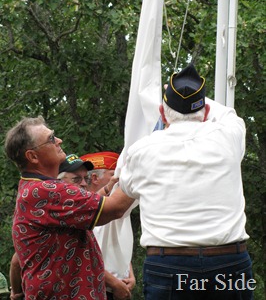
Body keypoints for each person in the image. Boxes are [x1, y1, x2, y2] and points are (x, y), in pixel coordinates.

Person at [118, 63, 254, 300]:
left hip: (169, 265)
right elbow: (228, 114)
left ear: (162, 113)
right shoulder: (229, 136)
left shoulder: (142, 150)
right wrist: (193, 96)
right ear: (205, 109)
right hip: (229, 263)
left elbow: (126, 191)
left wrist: (174, 93)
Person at [4, 117, 134, 300]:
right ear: (32, 156)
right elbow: (114, 209)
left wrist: (17, 293)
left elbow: (93, 202)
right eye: (51, 139)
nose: (59, 141)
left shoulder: (34, 188)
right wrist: (142, 168)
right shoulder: (46, 191)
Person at [81, 152, 136, 300]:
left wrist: (129, 274)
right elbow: (86, 254)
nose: (118, 180)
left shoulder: (119, 204)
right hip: (97, 288)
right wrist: (115, 283)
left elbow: (118, 243)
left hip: (121, 286)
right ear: (94, 178)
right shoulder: (85, 210)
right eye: (113, 174)